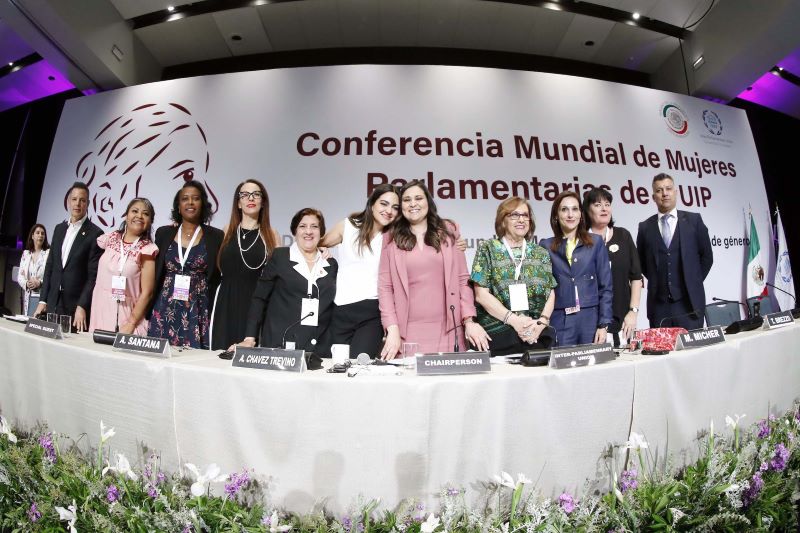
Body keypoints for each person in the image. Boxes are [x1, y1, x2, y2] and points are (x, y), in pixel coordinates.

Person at [379, 180, 490, 359]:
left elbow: (463, 280)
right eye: (406, 200)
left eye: (418, 198)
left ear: (428, 202)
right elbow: (385, 288)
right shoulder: (390, 238)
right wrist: (391, 329)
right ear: (402, 207)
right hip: (405, 332)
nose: (413, 204)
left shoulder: (449, 231)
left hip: (448, 328)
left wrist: (469, 321)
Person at [238, 208, 338, 352]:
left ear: (321, 232)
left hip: (318, 346)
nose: (308, 231)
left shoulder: (330, 264)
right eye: (302, 226)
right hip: (280, 342)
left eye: (314, 226)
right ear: (294, 232)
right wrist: (250, 337)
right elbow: (260, 298)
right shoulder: (280, 257)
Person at [319, 184, 400, 358]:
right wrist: (322, 251)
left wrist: (456, 242)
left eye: (395, 207)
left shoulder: (394, 236)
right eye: (384, 204)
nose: (389, 211)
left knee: (360, 369)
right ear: (372, 204)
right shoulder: (347, 226)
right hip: (339, 310)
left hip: (372, 312)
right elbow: (316, 245)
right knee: (334, 369)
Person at [470, 197, 557, 355]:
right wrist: (515, 321)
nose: (521, 220)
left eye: (525, 215)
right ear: (503, 220)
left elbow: (551, 291)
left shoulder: (540, 253)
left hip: (536, 335)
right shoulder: (487, 249)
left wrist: (542, 322)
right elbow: (481, 295)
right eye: (514, 215)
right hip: (499, 336)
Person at [147, 180, 224, 348]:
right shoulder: (163, 233)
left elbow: (218, 275)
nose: (190, 202)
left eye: (195, 198)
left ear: (202, 204)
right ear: (178, 206)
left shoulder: (216, 236)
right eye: (185, 199)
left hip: (198, 309)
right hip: (165, 306)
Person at [636, 173, 713, 329]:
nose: (664, 193)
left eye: (668, 188)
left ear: (676, 192)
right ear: (653, 196)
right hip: (659, 308)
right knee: (662, 352)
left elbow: (707, 258)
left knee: (694, 351)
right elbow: (642, 263)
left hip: (689, 305)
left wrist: (693, 281)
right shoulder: (644, 227)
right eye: (659, 190)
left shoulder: (694, 220)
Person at [213, 179, 280, 350]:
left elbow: (280, 275)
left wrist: (321, 250)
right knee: (220, 357)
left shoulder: (272, 235)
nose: (251, 198)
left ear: (263, 202)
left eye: (256, 194)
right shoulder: (226, 230)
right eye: (245, 195)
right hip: (225, 303)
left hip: (255, 305)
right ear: (239, 203)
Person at [539, 191, 613, 346]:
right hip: (560, 319)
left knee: (593, 367)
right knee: (562, 368)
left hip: (590, 320)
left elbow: (606, 287)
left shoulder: (596, 242)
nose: (570, 214)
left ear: (581, 214)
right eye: (564, 209)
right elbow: (544, 290)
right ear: (556, 216)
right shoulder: (545, 246)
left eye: (575, 209)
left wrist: (603, 324)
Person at [34, 182, 104, 331]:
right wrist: (43, 300)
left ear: (88, 203)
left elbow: (93, 276)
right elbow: (50, 267)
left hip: (75, 310)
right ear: (68, 201)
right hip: (52, 305)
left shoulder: (95, 234)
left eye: (82, 200)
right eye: (74, 199)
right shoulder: (59, 229)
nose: (77, 204)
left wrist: (82, 305)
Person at [583, 187, 643, 345]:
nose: (604, 208)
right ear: (587, 211)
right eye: (597, 204)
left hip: (623, 320)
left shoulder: (623, 235)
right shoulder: (581, 241)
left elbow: (636, 278)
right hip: (592, 323)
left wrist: (633, 312)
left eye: (607, 204)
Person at [89, 198, 158, 335]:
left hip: (127, 320)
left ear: (150, 221)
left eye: (145, 213)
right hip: (100, 310)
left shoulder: (147, 249)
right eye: (135, 211)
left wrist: (131, 323)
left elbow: (147, 293)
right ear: (126, 216)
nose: (139, 216)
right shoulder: (109, 238)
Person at [17, 224, 50, 316]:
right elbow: (20, 276)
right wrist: (27, 283)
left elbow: (52, 276)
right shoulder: (26, 254)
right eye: (38, 233)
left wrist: (40, 282)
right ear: (32, 236)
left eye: (43, 234)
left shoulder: (48, 253)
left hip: (42, 297)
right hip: (29, 296)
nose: (40, 235)